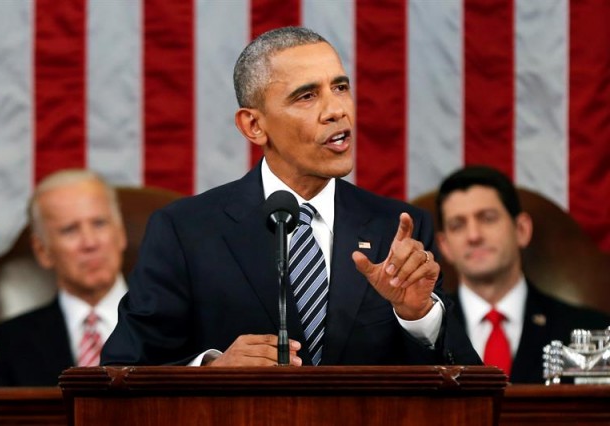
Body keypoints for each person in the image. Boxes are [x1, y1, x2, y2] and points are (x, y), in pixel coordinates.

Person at [101, 26, 480, 367]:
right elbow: (120, 371)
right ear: (254, 125)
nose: (336, 110)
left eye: (341, 87)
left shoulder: (396, 230)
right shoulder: (185, 232)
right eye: (307, 96)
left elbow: (465, 387)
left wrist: (417, 315)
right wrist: (212, 371)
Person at [435, 165, 610, 383]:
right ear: (444, 246)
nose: (473, 236)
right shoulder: (420, 337)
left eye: (488, 218)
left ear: (521, 230)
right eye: (457, 225)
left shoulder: (589, 332)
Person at [0, 169, 128, 386]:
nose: (90, 242)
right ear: (42, 250)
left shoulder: (178, 326)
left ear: (120, 233)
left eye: (99, 223)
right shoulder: (4, 347)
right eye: (70, 230)